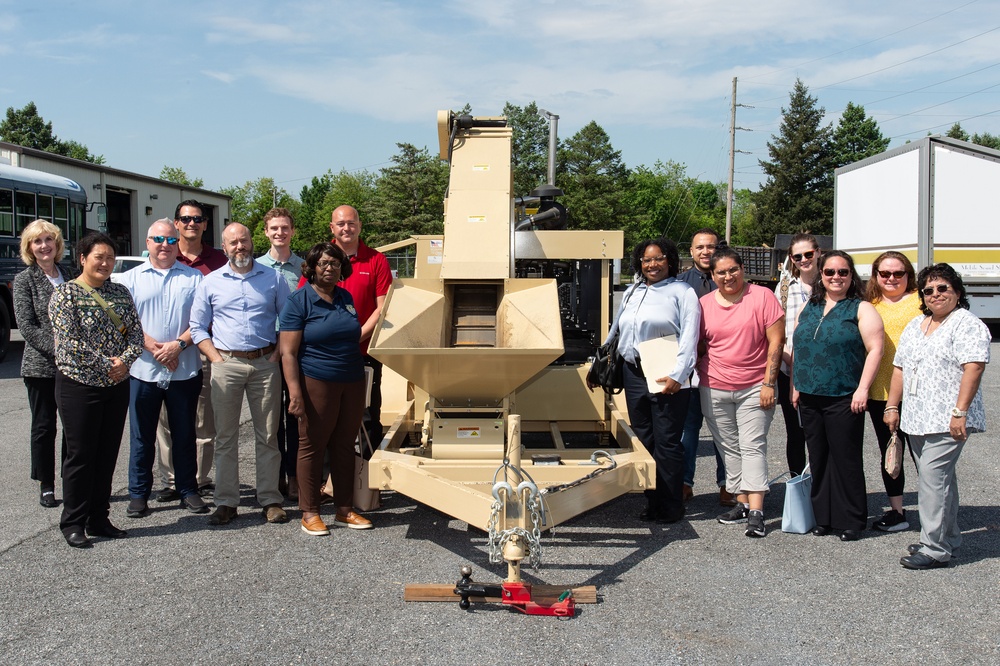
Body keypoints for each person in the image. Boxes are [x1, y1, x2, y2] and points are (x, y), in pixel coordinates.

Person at [886, 264, 990, 569]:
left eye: (943, 288)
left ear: (957, 291)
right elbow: (899, 368)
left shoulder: (966, 324)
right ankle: (946, 537)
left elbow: (974, 367)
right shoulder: (916, 325)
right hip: (918, 416)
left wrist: (960, 412)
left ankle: (935, 549)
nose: (936, 294)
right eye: (929, 290)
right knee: (940, 480)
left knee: (933, 479)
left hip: (948, 418)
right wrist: (893, 405)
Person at [590, 238, 699, 524]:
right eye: (647, 259)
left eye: (659, 258)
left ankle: (672, 506)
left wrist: (679, 374)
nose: (652, 264)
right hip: (633, 372)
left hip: (665, 374)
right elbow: (616, 330)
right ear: (640, 262)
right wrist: (598, 362)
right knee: (645, 441)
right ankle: (652, 501)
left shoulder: (682, 292)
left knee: (667, 442)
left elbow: (690, 337)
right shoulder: (632, 291)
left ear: (670, 260)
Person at [190, 223, 291, 526]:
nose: (240, 247)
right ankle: (226, 502)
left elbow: (288, 321)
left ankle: (270, 499)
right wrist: (216, 359)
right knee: (225, 437)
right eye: (233, 242)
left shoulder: (273, 279)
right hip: (226, 364)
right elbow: (197, 326)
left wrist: (276, 354)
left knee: (268, 434)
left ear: (251, 242)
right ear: (224, 248)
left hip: (264, 363)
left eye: (244, 241)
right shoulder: (210, 282)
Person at [49, 232, 144, 548]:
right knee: (80, 455)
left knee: (106, 453)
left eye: (109, 257)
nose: (105, 263)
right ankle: (73, 522)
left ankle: (99, 518)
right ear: (82, 258)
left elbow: (135, 335)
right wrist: (108, 363)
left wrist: (124, 361)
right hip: (79, 385)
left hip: (116, 385)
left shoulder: (120, 292)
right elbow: (70, 342)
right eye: (98, 257)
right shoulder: (66, 295)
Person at [791, 251, 883, 542]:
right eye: (830, 272)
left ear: (851, 275)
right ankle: (825, 518)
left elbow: (875, 350)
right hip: (809, 394)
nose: (836, 277)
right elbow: (799, 347)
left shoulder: (861, 308)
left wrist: (863, 389)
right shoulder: (810, 305)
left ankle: (853, 520)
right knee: (818, 458)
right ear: (821, 275)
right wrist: (795, 384)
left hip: (844, 395)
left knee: (846, 458)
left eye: (842, 272)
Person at [118, 220, 207, 519]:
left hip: (184, 370)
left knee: (184, 434)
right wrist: (157, 348)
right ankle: (139, 494)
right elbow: (124, 322)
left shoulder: (194, 278)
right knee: (142, 437)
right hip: (144, 371)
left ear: (177, 241)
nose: (164, 245)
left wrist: (177, 347)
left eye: (170, 239)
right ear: (147, 241)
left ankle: (188, 490)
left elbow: (202, 321)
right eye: (158, 239)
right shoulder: (130, 279)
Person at [280, 242, 371, 534]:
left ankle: (344, 509)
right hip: (316, 381)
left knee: (345, 445)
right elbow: (288, 353)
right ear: (312, 267)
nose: (329, 268)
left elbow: (352, 335)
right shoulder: (299, 301)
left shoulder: (344, 297)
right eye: (323, 264)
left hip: (352, 380)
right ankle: (310, 512)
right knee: (312, 445)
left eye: (334, 264)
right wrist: (295, 393)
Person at [698, 248, 784, 538]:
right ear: (712, 276)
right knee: (728, 448)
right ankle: (742, 502)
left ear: (743, 269)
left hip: (754, 388)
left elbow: (776, 342)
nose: (728, 276)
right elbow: (698, 346)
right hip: (714, 387)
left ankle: (758, 511)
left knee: (752, 446)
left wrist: (769, 384)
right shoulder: (704, 304)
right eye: (721, 272)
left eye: (733, 270)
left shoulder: (762, 297)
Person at [298, 205, 392, 453]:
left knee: (367, 418)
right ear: (332, 227)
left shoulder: (376, 260)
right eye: (340, 224)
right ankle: (327, 483)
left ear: (360, 226)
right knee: (323, 417)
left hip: (362, 354)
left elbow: (382, 308)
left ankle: (364, 486)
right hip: (322, 358)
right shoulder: (317, 258)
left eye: (351, 223)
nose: (346, 228)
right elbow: (302, 303)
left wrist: (356, 337)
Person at [154, 200, 228, 502]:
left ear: (205, 224)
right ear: (176, 223)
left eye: (197, 219)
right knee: (166, 419)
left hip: (203, 346)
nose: (191, 224)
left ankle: (198, 479)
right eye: (185, 219)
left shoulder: (219, 260)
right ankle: (171, 480)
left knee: (203, 418)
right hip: (164, 352)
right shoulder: (166, 255)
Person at [13, 220, 75, 508]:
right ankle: (46, 484)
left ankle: (72, 480)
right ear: (29, 248)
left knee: (73, 426)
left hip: (74, 366)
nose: (44, 246)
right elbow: (26, 325)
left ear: (57, 243)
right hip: (41, 366)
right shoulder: (25, 280)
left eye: (49, 240)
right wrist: (57, 349)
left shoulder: (71, 274)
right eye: (37, 242)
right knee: (44, 426)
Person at [865, 251, 921, 533]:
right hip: (881, 392)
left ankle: (938, 514)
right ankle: (898, 512)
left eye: (898, 273)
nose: (891, 278)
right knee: (890, 453)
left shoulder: (921, 302)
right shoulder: (869, 305)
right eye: (884, 273)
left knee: (924, 456)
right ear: (875, 276)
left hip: (918, 392)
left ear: (908, 275)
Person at [676, 228, 730, 506]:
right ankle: (685, 482)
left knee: (722, 429)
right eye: (700, 247)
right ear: (692, 252)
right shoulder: (681, 284)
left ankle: (727, 484)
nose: (706, 252)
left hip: (722, 369)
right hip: (690, 370)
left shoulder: (731, 280)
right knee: (689, 428)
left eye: (711, 246)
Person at [256, 207, 304, 502]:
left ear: (292, 231)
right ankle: (274, 480)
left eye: (284, 228)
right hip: (266, 353)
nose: (279, 233)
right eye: (274, 228)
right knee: (270, 421)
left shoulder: (303, 267)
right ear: (266, 232)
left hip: (297, 351)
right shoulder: (255, 267)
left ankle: (296, 477)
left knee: (296, 415)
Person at [774, 233, 821, 477]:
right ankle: (798, 485)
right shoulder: (784, 288)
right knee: (795, 432)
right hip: (789, 369)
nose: (804, 260)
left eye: (808, 255)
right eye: (798, 256)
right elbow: (774, 331)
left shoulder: (831, 283)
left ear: (818, 253)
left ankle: (822, 486)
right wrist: (788, 359)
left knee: (820, 433)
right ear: (792, 259)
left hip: (822, 373)